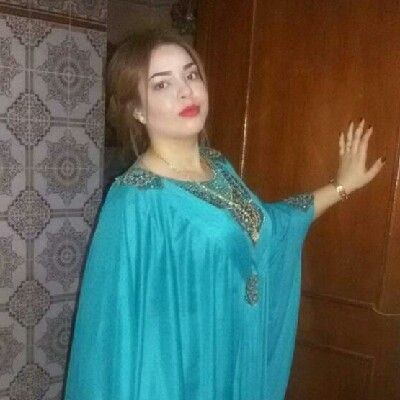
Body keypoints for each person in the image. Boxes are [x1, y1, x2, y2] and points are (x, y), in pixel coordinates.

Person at [63, 29, 385, 400]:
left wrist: (341, 187)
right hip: (184, 380)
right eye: (162, 84)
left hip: (239, 359)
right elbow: (114, 334)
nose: (186, 91)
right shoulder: (134, 200)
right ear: (137, 109)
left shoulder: (217, 166)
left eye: (191, 75)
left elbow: (265, 227)